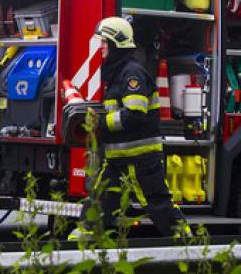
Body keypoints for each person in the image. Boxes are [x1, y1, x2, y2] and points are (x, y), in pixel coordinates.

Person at [70, 17, 188, 240]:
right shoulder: (117, 73)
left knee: (160, 208)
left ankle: (191, 250)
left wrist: (101, 123)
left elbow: (135, 115)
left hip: (141, 160)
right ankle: (76, 255)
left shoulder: (131, 74)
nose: (101, 46)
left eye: (105, 41)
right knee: (97, 206)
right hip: (117, 160)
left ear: (116, 43)